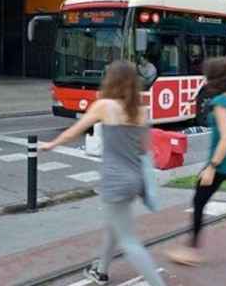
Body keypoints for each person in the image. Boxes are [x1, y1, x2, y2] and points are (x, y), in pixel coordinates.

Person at [39, 61, 166, 286]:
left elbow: (72, 133)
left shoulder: (104, 106)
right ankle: (101, 271)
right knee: (114, 225)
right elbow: (145, 150)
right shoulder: (141, 110)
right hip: (135, 179)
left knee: (128, 241)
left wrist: (51, 145)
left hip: (115, 180)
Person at [166, 56, 226, 277]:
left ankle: (192, 251)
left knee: (199, 202)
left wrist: (211, 167)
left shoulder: (220, 104)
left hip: (222, 165)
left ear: (213, 78)